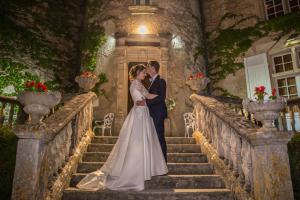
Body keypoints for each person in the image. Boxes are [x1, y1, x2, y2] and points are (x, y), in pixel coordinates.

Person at [76, 64, 168, 191]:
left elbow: (148, 96)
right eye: (143, 72)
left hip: (144, 114)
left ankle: (144, 168)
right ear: (137, 73)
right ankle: (134, 171)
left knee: (144, 142)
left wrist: (161, 98)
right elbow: (141, 99)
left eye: (145, 72)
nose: (145, 74)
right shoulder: (135, 84)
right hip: (139, 115)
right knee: (137, 143)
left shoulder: (140, 84)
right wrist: (154, 99)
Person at [136, 61, 168, 162]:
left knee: (159, 137)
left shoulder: (161, 81)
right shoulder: (151, 82)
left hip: (158, 113)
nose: (146, 68)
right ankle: (156, 162)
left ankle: (163, 162)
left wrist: (145, 103)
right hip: (152, 113)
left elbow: (161, 98)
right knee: (154, 138)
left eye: (148, 66)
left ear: (153, 69)